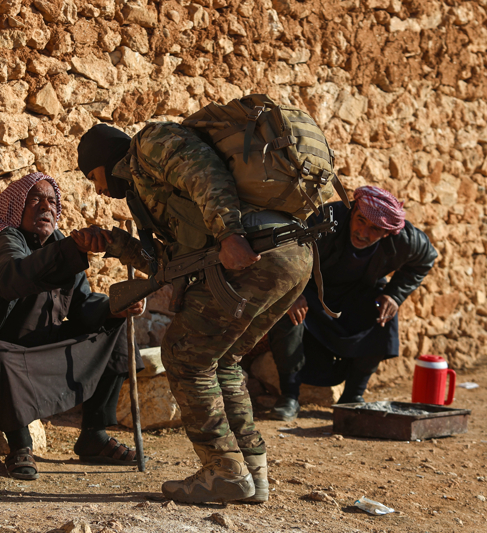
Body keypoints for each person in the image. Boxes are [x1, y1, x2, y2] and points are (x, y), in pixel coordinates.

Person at [78, 123, 313, 504]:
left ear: (104, 159)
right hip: (287, 256)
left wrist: (229, 234)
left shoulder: (149, 145)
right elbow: (171, 263)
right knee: (224, 361)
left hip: (255, 251)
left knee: (184, 355)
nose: (98, 190)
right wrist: (117, 244)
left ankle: (224, 469)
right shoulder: (149, 190)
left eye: (93, 176)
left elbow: (203, 169)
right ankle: (252, 472)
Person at [0, 172, 144, 480]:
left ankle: (94, 435)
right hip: (0, 348)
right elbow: (14, 276)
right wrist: (72, 251)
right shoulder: (5, 239)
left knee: (115, 326)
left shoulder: (61, 245)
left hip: (42, 346)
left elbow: (82, 308)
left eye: (52, 202)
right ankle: (20, 446)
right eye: (35, 200)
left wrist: (115, 307)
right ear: (17, 207)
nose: (45, 207)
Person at [268, 186, 438, 421]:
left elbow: (426, 258)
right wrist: (291, 293)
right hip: (312, 292)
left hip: (357, 296)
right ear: (354, 211)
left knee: (384, 313)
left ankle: (352, 397)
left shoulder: (405, 239)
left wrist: (394, 295)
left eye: (375, 229)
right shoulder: (325, 220)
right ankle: (289, 396)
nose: (363, 233)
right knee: (288, 314)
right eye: (360, 221)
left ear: (387, 232)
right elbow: (283, 251)